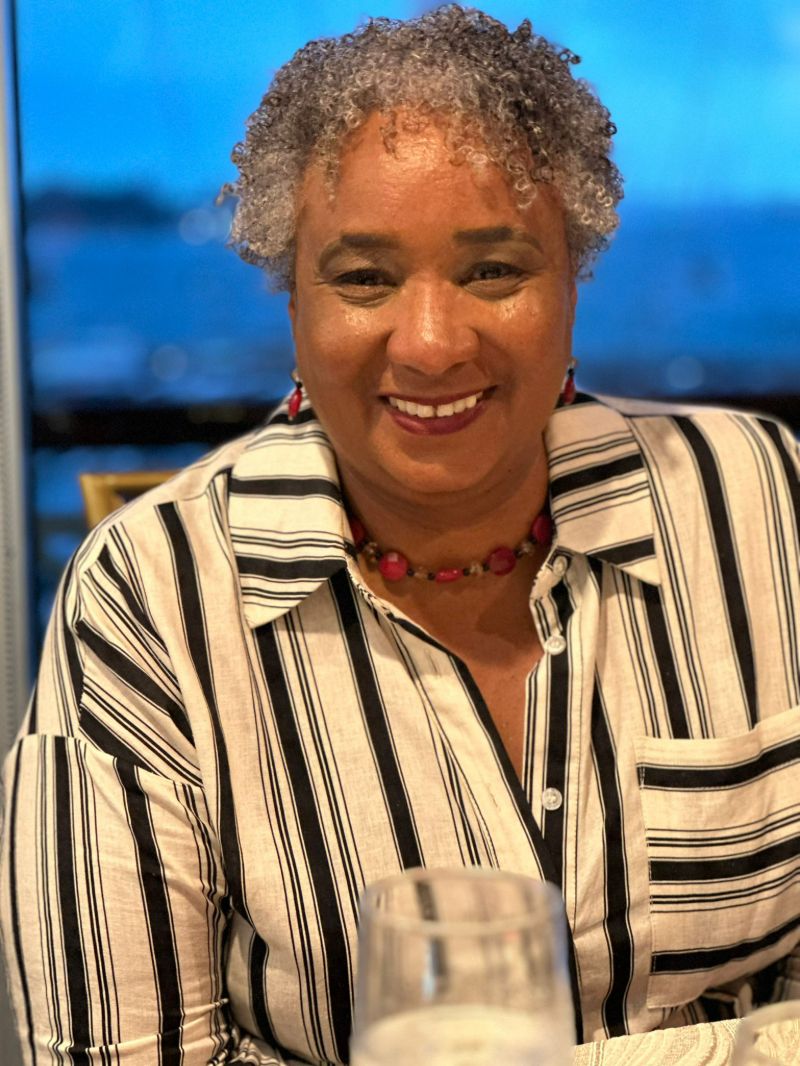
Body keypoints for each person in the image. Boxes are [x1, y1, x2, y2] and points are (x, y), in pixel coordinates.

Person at [2, 6, 799, 1064]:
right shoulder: (149, 598)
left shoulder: (763, 502)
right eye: (363, 278)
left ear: (573, 279)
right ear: (293, 303)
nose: (429, 345)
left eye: (493, 270)